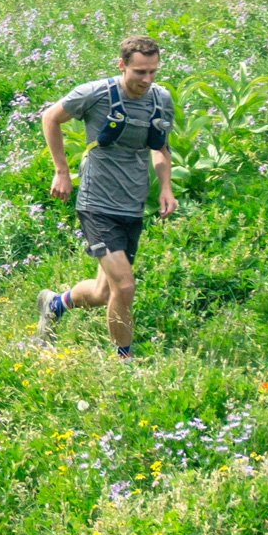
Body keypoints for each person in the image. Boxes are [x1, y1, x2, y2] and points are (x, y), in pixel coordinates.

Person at [36, 34, 177, 357]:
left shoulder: (160, 100)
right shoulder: (96, 93)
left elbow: (160, 148)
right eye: (140, 72)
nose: (147, 79)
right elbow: (50, 117)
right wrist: (61, 170)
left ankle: (55, 304)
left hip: (132, 204)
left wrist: (165, 188)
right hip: (96, 203)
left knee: (104, 291)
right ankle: (123, 362)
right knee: (125, 286)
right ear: (122, 65)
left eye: (153, 71)